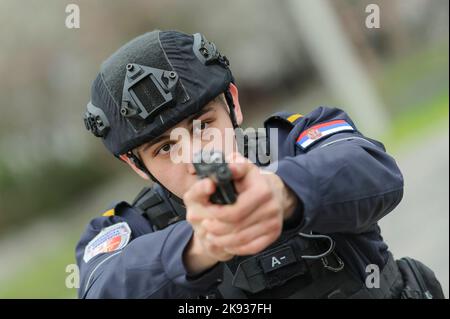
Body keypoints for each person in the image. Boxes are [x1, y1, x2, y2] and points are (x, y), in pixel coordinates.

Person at [77, 29, 444, 299]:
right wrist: (200, 246)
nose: (193, 155)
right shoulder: (128, 228)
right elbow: (103, 289)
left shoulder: (294, 140)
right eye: (163, 148)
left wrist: (283, 193)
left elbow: (373, 170)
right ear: (135, 164)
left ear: (233, 103)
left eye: (202, 125)